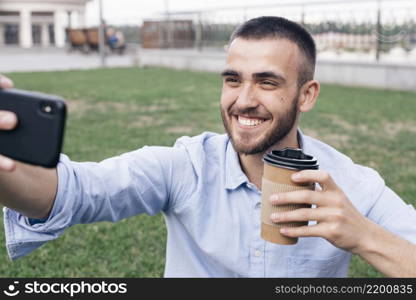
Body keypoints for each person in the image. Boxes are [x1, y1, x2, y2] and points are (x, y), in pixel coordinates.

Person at [0, 16, 415, 278]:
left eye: (267, 82)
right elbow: (68, 193)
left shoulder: (351, 185)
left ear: (306, 95)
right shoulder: (186, 166)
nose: (244, 99)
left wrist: (364, 236)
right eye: (233, 79)